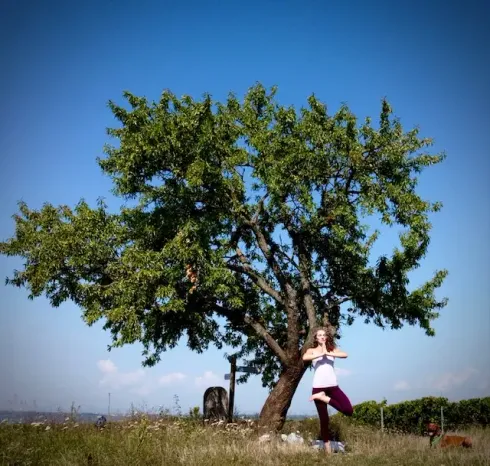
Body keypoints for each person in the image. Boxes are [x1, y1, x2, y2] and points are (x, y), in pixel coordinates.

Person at [302, 327, 353, 453]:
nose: (322, 337)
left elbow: (345, 355)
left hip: (333, 387)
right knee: (324, 420)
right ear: (316, 338)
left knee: (348, 410)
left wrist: (328, 353)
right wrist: (320, 354)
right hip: (318, 387)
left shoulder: (332, 349)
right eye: (319, 335)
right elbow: (304, 358)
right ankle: (328, 449)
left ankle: (323, 397)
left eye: (324, 335)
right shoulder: (312, 350)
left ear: (327, 337)